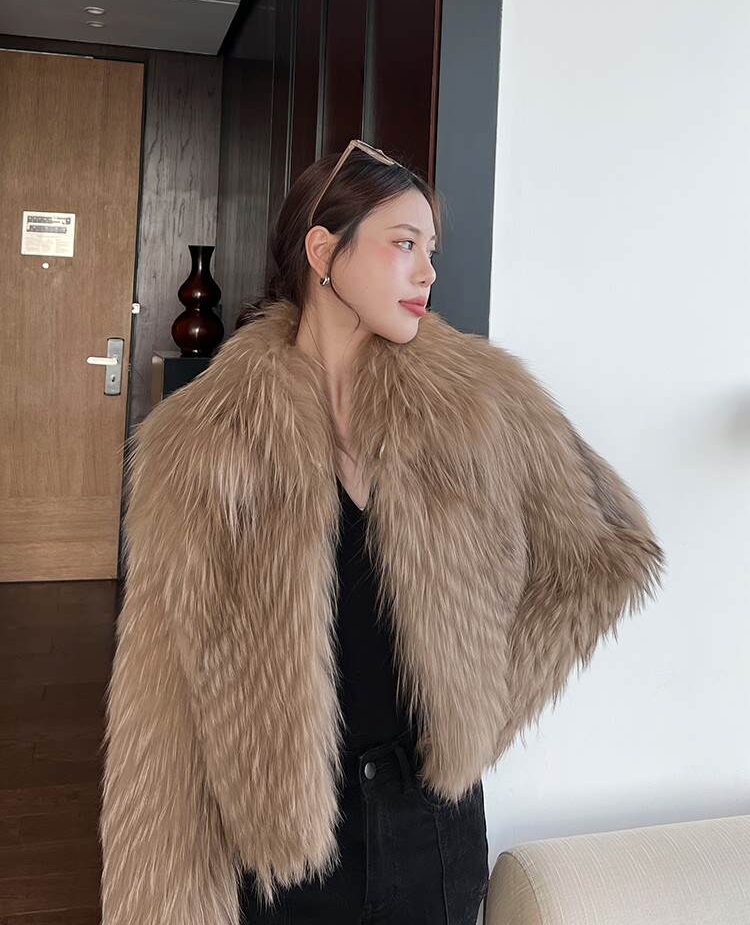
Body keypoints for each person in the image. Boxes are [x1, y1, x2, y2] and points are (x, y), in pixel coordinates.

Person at [99, 140, 665, 925]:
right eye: (404, 244)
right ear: (323, 252)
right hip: (283, 850)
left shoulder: (479, 401)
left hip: (431, 829)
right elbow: (160, 698)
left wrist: (478, 707)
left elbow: (611, 549)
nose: (427, 272)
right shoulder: (203, 441)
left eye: (431, 250)